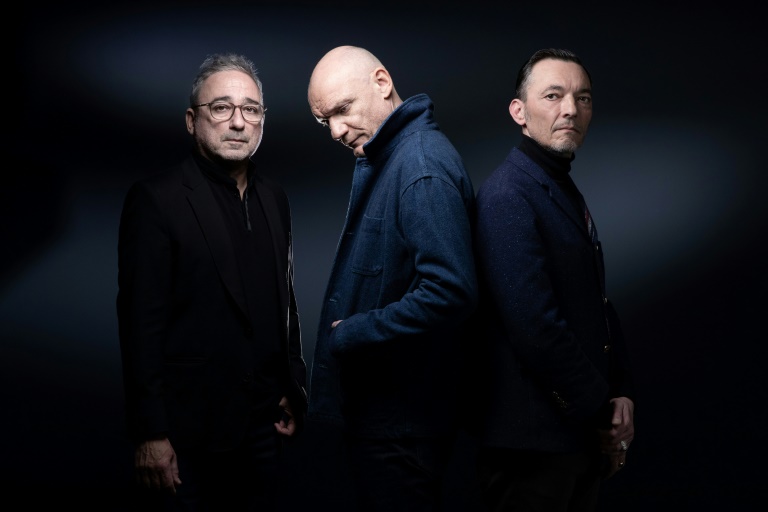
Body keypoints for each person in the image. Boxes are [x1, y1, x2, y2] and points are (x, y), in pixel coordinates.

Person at [116, 53, 307, 511]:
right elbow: (140, 325)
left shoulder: (275, 198)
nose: (238, 122)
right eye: (221, 108)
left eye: (251, 109)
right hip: (186, 438)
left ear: (262, 120)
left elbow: (285, 301)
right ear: (192, 120)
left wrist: (292, 385)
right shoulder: (156, 200)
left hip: (263, 427)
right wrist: (150, 433)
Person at [306, 45, 478, 511]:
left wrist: (352, 333)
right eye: (325, 121)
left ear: (382, 83)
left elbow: (451, 290)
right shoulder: (394, 157)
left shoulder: (419, 166)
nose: (337, 130)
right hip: (388, 423)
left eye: (343, 109)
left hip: (404, 429)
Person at [471, 48, 636, 512]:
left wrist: (621, 389)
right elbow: (534, 326)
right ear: (518, 111)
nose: (571, 109)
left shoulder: (558, 184)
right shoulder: (507, 194)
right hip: (532, 448)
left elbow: (594, 301)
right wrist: (602, 409)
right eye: (553, 95)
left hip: (571, 438)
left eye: (583, 98)